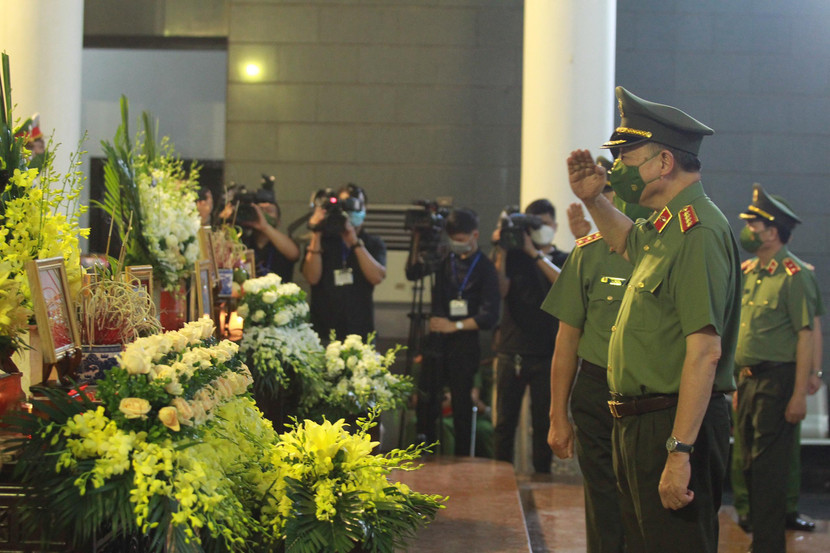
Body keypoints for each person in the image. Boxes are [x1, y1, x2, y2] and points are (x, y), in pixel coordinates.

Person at [567, 86, 741, 553]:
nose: (617, 170)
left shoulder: (698, 231)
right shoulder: (665, 225)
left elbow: (705, 352)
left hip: (671, 422)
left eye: (627, 159)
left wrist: (679, 452)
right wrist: (594, 201)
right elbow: (628, 243)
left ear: (663, 163)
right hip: (638, 423)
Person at [545, 186, 653, 553]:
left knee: (645, 505)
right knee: (602, 501)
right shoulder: (588, 252)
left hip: (650, 397)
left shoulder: (669, 250)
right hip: (596, 391)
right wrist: (557, 416)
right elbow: (566, 343)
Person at [732, 184, 822, 553]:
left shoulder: (795, 275)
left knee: (769, 472)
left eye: (753, 224)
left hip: (778, 380)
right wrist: (737, 385)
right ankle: (762, 542)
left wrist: (800, 392)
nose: (748, 230)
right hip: (748, 381)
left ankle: (768, 547)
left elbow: (806, 335)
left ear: (771, 231)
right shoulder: (750, 272)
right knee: (751, 466)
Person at [491, 199, 566, 474]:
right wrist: (504, 250)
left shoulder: (562, 258)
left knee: (543, 424)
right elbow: (498, 291)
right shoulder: (514, 258)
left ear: (555, 226)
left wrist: (534, 253)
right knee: (504, 423)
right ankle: (500, 476)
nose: (540, 229)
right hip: (511, 349)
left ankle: (543, 478)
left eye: (544, 224)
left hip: (548, 353)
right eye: (535, 224)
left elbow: (565, 286)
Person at [419, 208, 500, 457]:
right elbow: (414, 273)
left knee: (461, 404)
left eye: (461, 238)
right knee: (428, 402)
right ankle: (427, 453)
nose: (457, 243)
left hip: (464, 344)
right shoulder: (445, 263)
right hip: (437, 343)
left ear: (475, 235)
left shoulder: (486, 268)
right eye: (452, 237)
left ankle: (464, 459)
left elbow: (489, 316)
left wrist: (456, 325)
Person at [302, 183, 386, 341]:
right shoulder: (322, 241)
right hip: (323, 332)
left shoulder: (373, 243)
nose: (351, 211)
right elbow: (312, 277)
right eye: (346, 205)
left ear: (365, 208)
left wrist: (354, 241)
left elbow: (376, 277)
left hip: (360, 332)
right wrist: (317, 232)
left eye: (355, 204)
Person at [239, 187, 300, 283]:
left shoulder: (283, 243)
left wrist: (265, 227)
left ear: (278, 221)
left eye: (269, 211)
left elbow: (294, 254)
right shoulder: (243, 242)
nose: (262, 215)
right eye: (259, 210)